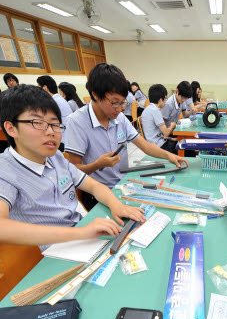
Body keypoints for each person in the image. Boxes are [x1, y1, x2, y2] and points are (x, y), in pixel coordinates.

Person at [0, 85, 145, 251]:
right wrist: (82, 232)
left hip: (79, 240)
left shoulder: (56, 158)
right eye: (38, 123)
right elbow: (2, 227)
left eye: (55, 124)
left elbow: (94, 185)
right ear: (11, 128)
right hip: (49, 255)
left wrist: (117, 206)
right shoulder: (5, 171)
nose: (51, 132)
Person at [65, 63, 188, 210]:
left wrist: (170, 156)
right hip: (99, 195)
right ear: (95, 94)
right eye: (114, 102)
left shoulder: (119, 118)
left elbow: (145, 145)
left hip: (123, 184)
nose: (120, 108)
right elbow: (74, 171)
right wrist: (98, 165)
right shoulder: (77, 122)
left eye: (122, 102)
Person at [37, 75, 72, 150]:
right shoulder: (59, 99)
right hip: (67, 137)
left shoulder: (53, 102)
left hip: (62, 141)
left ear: (45, 88)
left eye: (39, 88)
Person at [141, 84, 178, 154]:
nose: (166, 101)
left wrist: (172, 139)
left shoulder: (148, 109)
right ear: (161, 99)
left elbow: (161, 135)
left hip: (154, 143)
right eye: (165, 99)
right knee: (183, 149)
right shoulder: (155, 111)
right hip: (159, 147)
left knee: (177, 141)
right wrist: (173, 125)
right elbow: (166, 133)